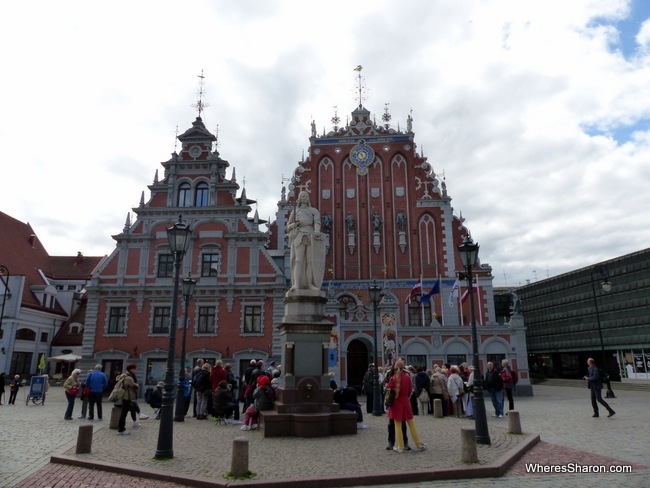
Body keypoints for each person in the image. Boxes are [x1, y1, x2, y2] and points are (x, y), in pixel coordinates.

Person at [287, 190, 325, 291]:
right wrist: (293, 225)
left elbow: (317, 222)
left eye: (306, 196)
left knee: (310, 261)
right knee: (298, 260)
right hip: (299, 235)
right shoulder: (295, 211)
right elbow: (288, 227)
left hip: (311, 235)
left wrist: (317, 231)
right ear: (299, 198)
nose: (305, 198)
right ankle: (296, 284)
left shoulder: (314, 211)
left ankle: (309, 284)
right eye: (303, 196)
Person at [386, 358, 426, 453]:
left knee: (397, 425)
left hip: (396, 403)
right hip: (406, 402)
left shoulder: (393, 378)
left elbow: (388, 389)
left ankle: (400, 446)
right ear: (403, 367)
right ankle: (418, 443)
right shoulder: (407, 377)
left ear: (395, 367)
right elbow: (409, 391)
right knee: (411, 424)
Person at [117, 364, 139, 435]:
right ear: (131, 369)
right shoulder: (128, 377)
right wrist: (137, 385)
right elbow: (134, 386)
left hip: (127, 397)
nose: (136, 370)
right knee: (124, 413)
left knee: (130, 409)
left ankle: (137, 418)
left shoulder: (127, 376)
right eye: (135, 369)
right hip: (126, 397)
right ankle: (121, 428)